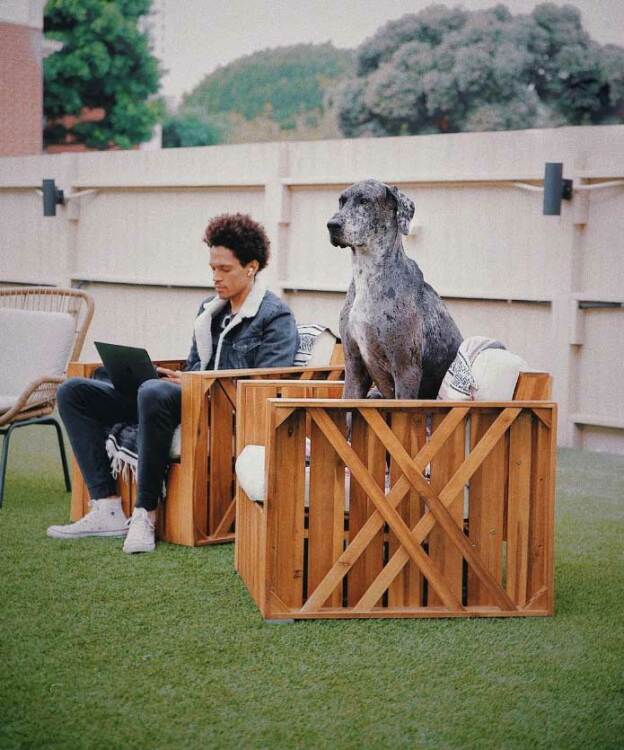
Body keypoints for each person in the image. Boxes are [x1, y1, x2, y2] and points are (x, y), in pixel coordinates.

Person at [47, 213, 299, 553]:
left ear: (251, 266)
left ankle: (144, 514)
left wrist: (196, 381)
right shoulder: (209, 310)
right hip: (189, 396)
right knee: (75, 391)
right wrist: (182, 376)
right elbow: (195, 363)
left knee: (152, 391)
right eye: (212, 268)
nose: (215, 277)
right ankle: (106, 506)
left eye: (224, 269)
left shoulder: (274, 316)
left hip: (225, 412)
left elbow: (269, 382)